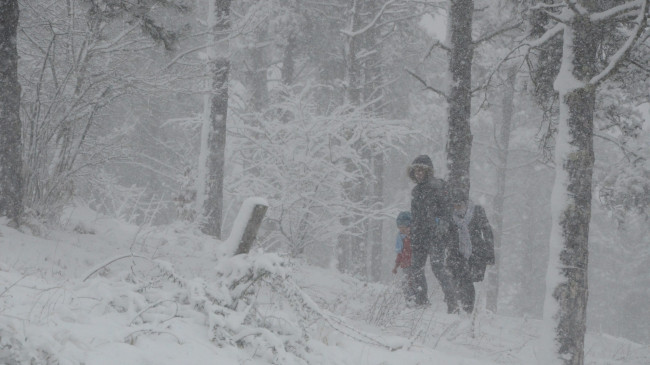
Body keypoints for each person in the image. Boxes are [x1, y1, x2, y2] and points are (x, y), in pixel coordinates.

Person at [407, 155, 457, 311]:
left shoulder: (438, 186)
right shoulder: (416, 191)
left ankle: (453, 303)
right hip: (419, 236)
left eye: (421, 170)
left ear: (428, 171)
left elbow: (447, 211)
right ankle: (421, 301)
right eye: (416, 171)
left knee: (437, 267)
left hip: (435, 236)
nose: (418, 173)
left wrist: (440, 226)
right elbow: (415, 216)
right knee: (416, 267)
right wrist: (412, 233)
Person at [447, 189, 495, 314]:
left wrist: (490, 254)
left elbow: (487, 232)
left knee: (471, 281)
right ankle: (460, 309)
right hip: (457, 254)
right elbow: (448, 235)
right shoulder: (451, 216)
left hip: (476, 252)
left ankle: (471, 311)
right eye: (455, 205)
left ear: (466, 203)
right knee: (459, 280)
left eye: (460, 205)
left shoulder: (477, 212)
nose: (457, 208)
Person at [392, 211, 415, 303]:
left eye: (404, 228)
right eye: (400, 228)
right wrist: (396, 266)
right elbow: (400, 253)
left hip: (413, 264)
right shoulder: (400, 238)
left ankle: (415, 300)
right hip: (405, 265)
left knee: (413, 282)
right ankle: (409, 301)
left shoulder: (413, 237)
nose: (402, 230)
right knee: (405, 283)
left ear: (409, 226)